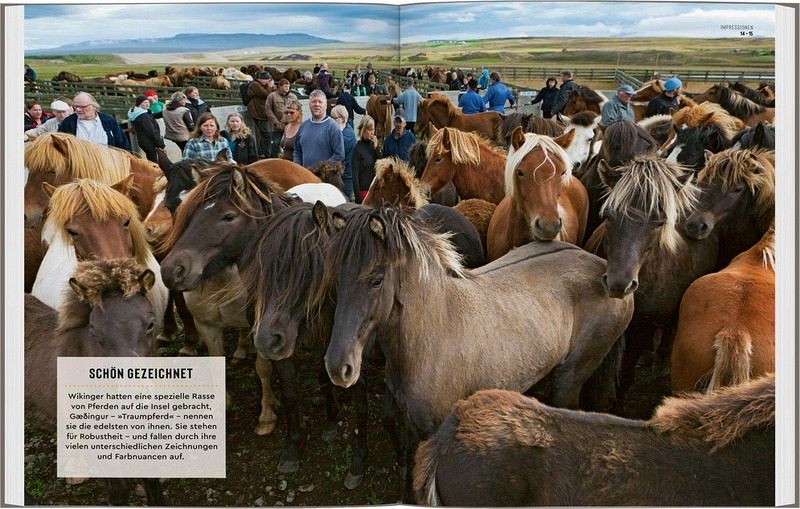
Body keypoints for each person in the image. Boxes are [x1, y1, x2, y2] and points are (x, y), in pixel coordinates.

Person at [58, 91, 130, 150]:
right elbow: (59, 146)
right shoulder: (68, 123)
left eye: (82, 107)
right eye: (76, 106)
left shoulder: (108, 121)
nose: (78, 109)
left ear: (94, 106)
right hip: (79, 162)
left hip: (107, 161)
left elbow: (123, 146)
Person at [293, 89, 344, 169]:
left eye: (320, 102)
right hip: (304, 175)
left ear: (326, 105)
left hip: (324, 176)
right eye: (314, 102)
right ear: (309, 105)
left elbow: (339, 155)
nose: (317, 104)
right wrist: (298, 167)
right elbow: (297, 150)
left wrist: (320, 170)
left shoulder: (333, 127)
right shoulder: (303, 126)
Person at [265, 78, 298, 158]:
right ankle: (273, 160)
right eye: (285, 86)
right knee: (275, 143)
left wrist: (296, 122)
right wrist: (276, 122)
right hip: (277, 125)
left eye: (288, 86)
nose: (287, 88)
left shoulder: (293, 97)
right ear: (280, 86)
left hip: (291, 125)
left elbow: (298, 110)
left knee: (292, 144)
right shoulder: (272, 96)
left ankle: (291, 159)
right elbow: (268, 110)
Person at [351, 115, 381, 204]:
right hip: (364, 192)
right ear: (363, 130)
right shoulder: (357, 149)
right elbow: (355, 176)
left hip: (376, 190)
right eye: (369, 130)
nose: (372, 132)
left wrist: (377, 148)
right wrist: (358, 198)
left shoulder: (374, 147)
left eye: (373, 129)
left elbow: (382, 164)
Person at [330, 105, 357, 200]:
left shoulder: (347, 136)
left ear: (342, 119)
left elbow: (338, 153)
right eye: (331, 117)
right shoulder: (341, 131)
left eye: (334, 118)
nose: (331, 120)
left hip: (346, 176)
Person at [127, 95, 165, 163]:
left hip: (143, 141)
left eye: (148, 102)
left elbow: (152, 116)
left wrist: (164, 112)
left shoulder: (137, 112)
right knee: (154, 162)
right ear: (139, 103)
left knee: (151, 159)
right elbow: (151, 132)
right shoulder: (143, 116)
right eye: (144, 102)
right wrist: (161, 145)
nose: (147, 104)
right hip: (149, 142)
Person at [247, 71, 276, 157]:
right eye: (267, 79)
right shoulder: (255, 85)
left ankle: (263, 153)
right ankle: (265, 153)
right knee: (266, 134)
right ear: (260, 79)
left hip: (262, 112)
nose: (268, 81)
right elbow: (266, 94)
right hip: (258, 113)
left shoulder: (262, 85)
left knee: (265, 134)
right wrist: (270, 86)